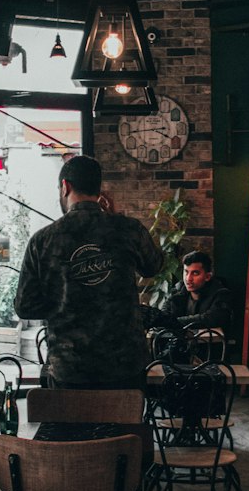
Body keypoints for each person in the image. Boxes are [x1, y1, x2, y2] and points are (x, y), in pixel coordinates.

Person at [14, 154, 163, 389]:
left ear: (65, 187)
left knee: (72, 426)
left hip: (70, 367)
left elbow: (25, 307)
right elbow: (153, 266)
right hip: (124, 364)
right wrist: (116, 218)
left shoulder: (43, 241)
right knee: (126, 426)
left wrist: (64, 301)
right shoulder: (128, 230)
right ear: (99, 189)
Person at [165, 250, 233, 336]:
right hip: (180, 345)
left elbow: (213, 318)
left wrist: (175, 322)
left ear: (207, 276)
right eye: (186, 272)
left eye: (195, 273)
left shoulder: (221, 293)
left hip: (210, 346)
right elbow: (164, 316)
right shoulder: (178, 291)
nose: (188, 279)